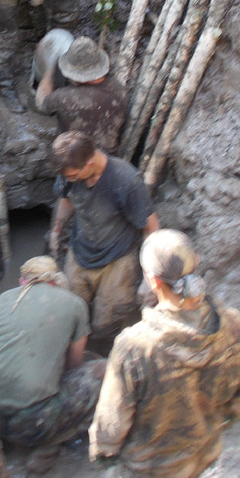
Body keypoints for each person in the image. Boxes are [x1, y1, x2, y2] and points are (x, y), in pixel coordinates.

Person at [90, 229, 240, 478]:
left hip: (149, 475)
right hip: (206, 459)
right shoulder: (236, 325)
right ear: (197, 259)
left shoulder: (135, 348)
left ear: (152, 281)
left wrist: (101, 452)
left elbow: (109, 430)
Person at [0, 255, 107, 472]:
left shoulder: (3, 299)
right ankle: (47, 446)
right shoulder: (75, 304)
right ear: (54, 281)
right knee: (103, 371)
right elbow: (74, 366)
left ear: (21, 281)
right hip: (34, 423)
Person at [48, 131, 160, 350]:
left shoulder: (126, 181)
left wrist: (149, 278)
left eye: (72, 176)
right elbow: (67, 199)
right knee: (70, 314)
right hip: (80, 252)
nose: (68, 179)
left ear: (90, 164)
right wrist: (56, 230)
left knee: (104, 327)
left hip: (117, 263)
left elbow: (152, 228)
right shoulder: (69, 171)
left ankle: (100, 356)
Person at [35, 35, 128, 153]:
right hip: (108, 156)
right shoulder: (119, 88)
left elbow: (41, 104)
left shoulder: (65, 98)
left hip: (75, 159)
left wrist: (48, 71)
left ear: (75, 74)